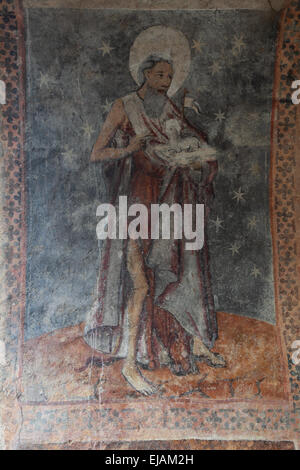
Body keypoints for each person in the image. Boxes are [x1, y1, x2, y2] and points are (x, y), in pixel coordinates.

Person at [85, 55, 225, 396]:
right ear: (145, 73)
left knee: (179, 270)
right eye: (160, 74)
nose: (166, 80)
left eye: (170, 75)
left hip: (169, 202)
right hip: (136, 203)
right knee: (141, 284)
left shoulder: (171, 109)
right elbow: (97, 153)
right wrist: (130, 148)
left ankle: (191, 343)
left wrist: (190, 156)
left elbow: (192, 143)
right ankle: (130, 363)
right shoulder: (126, 106)